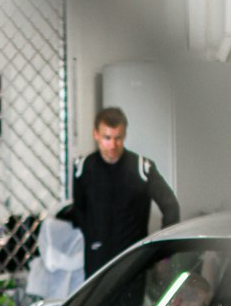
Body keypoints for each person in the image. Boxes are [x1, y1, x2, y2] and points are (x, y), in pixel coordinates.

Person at [67, 106, 181, 278]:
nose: (112, 145)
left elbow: (171, 206)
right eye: (107, 138)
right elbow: (79, 210)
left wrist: (163, 254)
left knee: (131, 303)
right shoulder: (83, 168)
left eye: (118, 138)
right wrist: (94, 237)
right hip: (96, 259)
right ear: (96, 134)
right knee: (98, 305)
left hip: (132, 259)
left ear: (125, 135)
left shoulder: (142, 167)